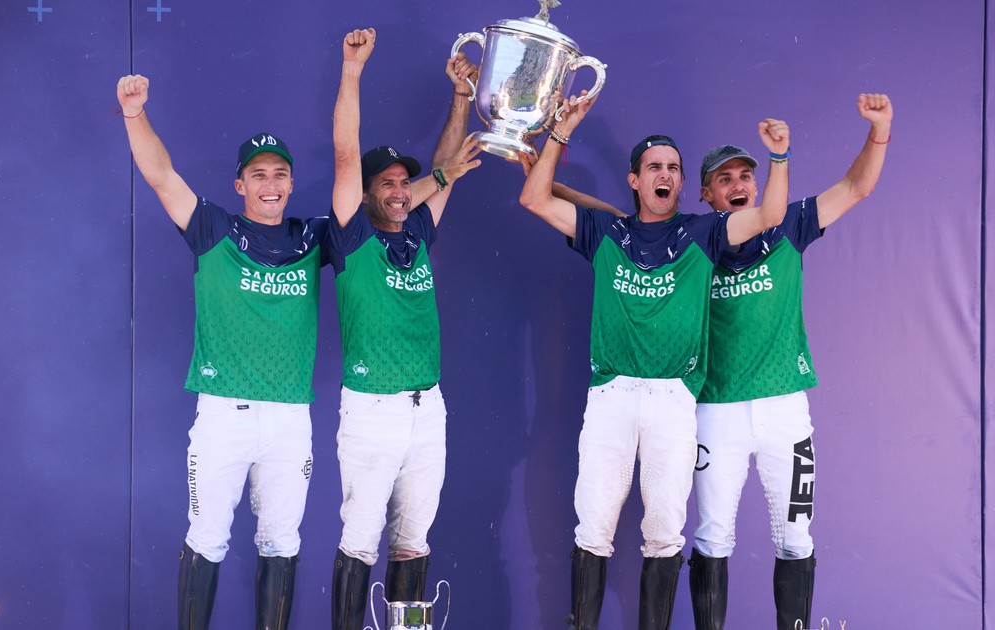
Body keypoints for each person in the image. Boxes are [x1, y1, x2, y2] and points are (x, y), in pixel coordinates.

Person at [518, 93, 791, 630]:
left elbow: (772, 214)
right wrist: (560, 132)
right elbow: (533, 198)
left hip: (673, 400)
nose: (664, 174)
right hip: (611, 395)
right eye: (654, 167)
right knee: (592, 529)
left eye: (672, 168)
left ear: (682, 183)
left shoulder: (704, 232)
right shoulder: (606, 232)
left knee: (665, 534)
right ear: (635, 180)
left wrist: (778, 157)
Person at [117, 74, 328, 630]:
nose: (270, 184)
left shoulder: (313, 236)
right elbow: (161, 176)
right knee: (207, 537)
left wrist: (443, 175)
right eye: (258, 175)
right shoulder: (214, 228)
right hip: (223, 413)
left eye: (279, 174)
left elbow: (379, 210)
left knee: (282, 541)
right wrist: (135, 114)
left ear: (291, 183)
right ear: (240, 185)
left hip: (290, 417)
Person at [688, 94, 893, 630]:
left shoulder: (789, 226)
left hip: (785, 409)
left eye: (745, 176)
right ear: (706, 193)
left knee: (797, 537)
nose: (738, 185)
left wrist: (880, 129)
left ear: (758, 186)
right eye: (725, 179)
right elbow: (624, 225)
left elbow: (857, 187)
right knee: (711, 537)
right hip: (715, 409)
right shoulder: (690, 241)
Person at [325, 29, 482, 630]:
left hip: (427, 408)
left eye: (402, 182)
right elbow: (346, 151)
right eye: (386, 183)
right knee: (361, 539)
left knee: (414, 541)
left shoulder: (416, 231)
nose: (397, 191)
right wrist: (352, 70)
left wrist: (461, 97)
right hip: (372, 409)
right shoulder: (350, 234)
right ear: (364, 193)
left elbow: (444, 168)